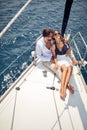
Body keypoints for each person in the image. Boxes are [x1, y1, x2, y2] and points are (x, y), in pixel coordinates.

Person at [36, 28, 74, 101]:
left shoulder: (53, 40)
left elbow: (63, 44)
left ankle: (65, 86)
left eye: (51, 37)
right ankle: (67, 86)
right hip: (46, 60)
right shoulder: (39, 44)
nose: (51, 39)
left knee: (66, 69)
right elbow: (39, 56)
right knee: (59, 71)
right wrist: (50, 59)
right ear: (44, 36)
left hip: (56, 57)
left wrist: (69, 50)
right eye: (49, 38)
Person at [52, 30, 74, 100]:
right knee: (65, 69)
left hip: (66, 57)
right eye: (55, 34)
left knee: (70, 68)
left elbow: (70, 47)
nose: (57, 35)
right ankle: (62, 89)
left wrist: (69, 50)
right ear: (53, 36)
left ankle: (65, 86)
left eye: (58, 33)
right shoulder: (53, 45)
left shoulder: (64, 41)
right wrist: (56, 63)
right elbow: (54, 56)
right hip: (60, 58)